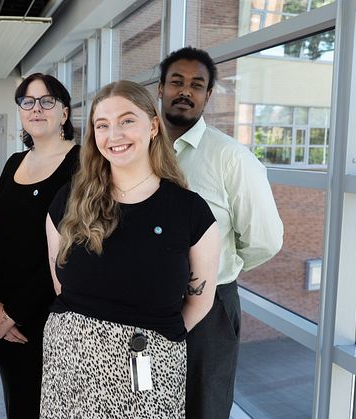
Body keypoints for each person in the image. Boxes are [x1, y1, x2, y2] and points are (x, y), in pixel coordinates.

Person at [41, 80, 220, 418]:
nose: (114, 134)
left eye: (127, 120)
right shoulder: (68, 202)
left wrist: (151, 341)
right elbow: (60, 283)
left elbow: (200, 301)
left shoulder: (189, 211)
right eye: (102, 125)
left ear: (153, 126)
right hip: (70, 368)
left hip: (150, 372)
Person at [158, 46, 284, 419]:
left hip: (210, 308)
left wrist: (218, 267)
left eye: (197, 85)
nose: (186, 91)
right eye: (177, 81)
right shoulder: (138, 148)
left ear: (208, 96)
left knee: (204, 407)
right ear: (161, 88)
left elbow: (264, 240)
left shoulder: (232, 158)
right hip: (147, 302)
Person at [0, 73, 79, 418]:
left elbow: (71, 252)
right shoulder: (13, 163)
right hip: (3, 321)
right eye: (28, 101)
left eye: (47, 100)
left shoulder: (83, 166)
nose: (37, 108)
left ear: (64, 112)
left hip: (49, 320)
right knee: (17, 407)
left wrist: (14, 313)